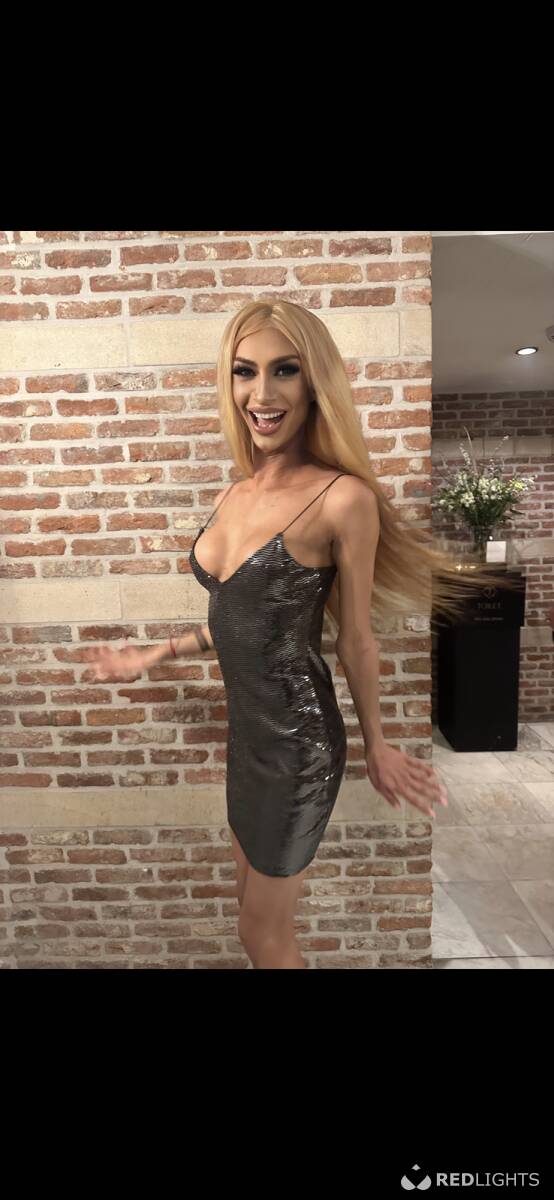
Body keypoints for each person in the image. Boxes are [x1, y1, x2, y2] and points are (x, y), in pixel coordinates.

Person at [87, 298, 514, 970]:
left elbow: (355, 641)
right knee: (250, 922)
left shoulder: (343, 499)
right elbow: (247, 619)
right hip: (247, 740)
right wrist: (154, 654)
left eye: (284, 370)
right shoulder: (233, 495)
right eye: (245, 371)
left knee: (265, 935)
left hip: (298, 745)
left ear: (316, 382)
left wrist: (378, 745)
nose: (262, 394)